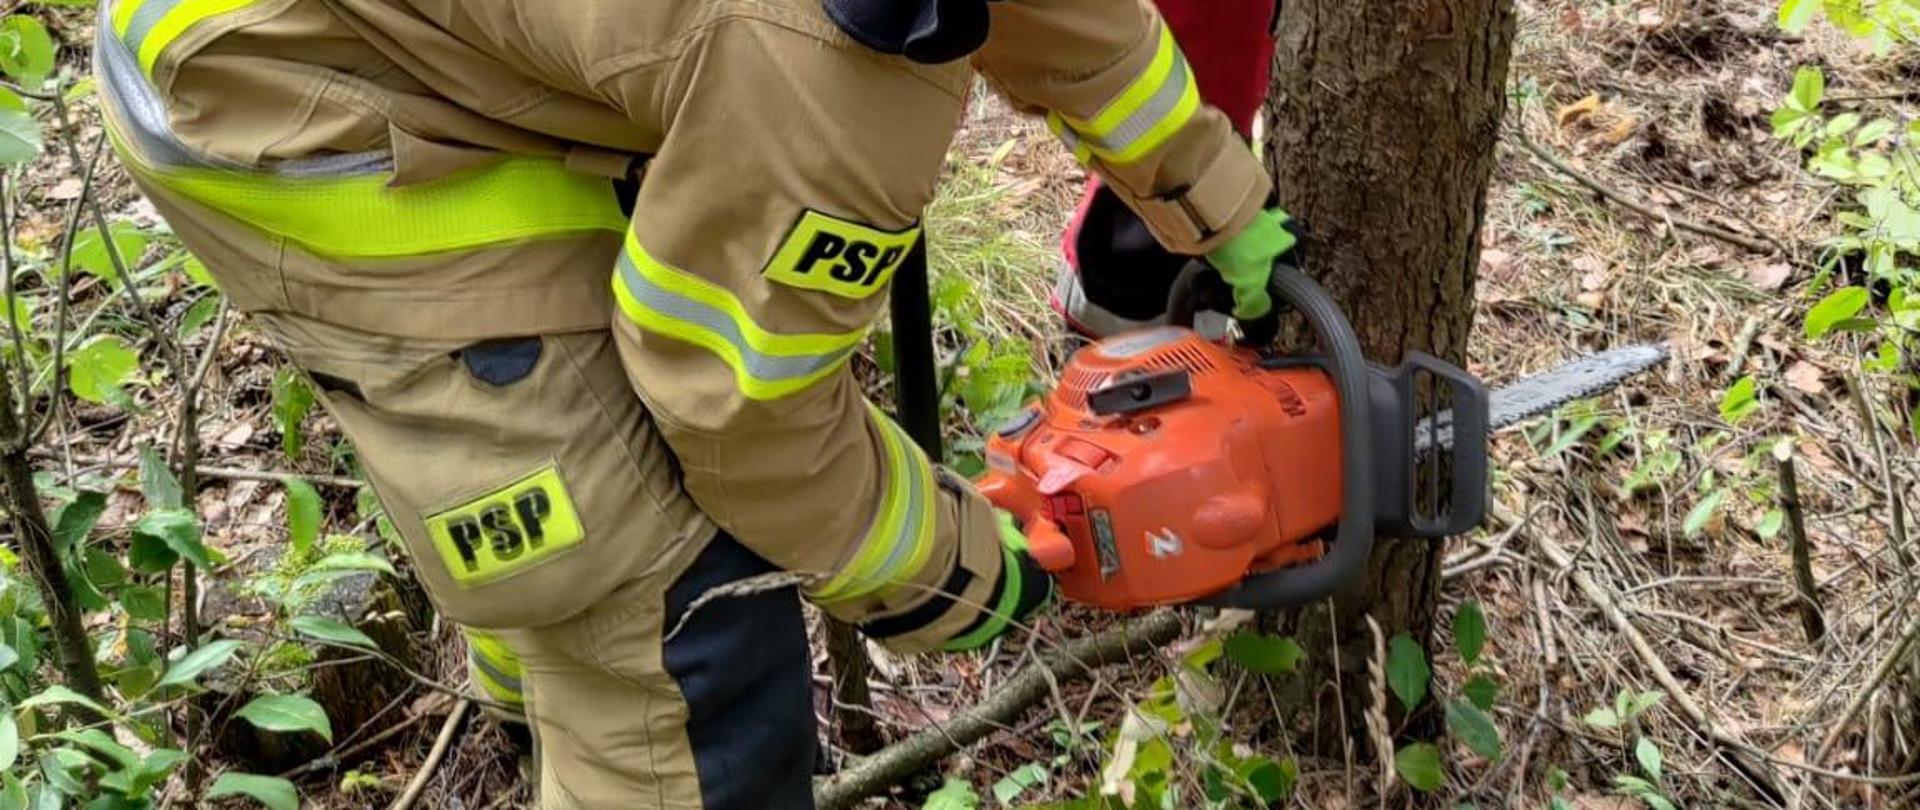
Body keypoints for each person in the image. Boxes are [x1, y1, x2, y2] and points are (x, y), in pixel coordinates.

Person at [95, 0, 1295, 806]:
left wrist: (1215, 196)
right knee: (670, 596)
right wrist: (952, 571)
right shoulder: (835, 48)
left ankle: (551, 700)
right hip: (290, 95)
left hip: (452, 39)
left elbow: (1074, 23)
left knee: (591, 539)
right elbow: (739, 416)